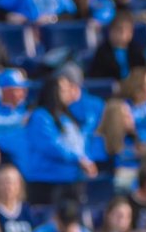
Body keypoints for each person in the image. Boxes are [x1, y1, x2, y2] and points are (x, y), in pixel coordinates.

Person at [18, 74, 96, 205]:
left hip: (71, 180)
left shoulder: (67, 117)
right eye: (64, 89)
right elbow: (51, 145)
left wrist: (85, 159)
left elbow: (79, 142)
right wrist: (78, 159)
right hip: (47, 182)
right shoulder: (40, 116)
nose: (68, 92)